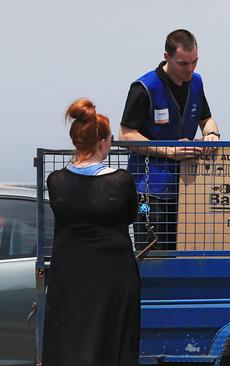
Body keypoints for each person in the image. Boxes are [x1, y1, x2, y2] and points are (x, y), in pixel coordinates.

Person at [43, 98, 139, 365]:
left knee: (69, 337)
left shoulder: (56, 181)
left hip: (69, 272)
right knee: (113, 337)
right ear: (103, 143)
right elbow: (131, 215)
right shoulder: (121, 181)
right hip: (114, 274)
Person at [120, 29, 221, 250]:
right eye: (183, 63)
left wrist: (211, 134)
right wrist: (169, 150)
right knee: (153, 256)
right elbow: (126, 135)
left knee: (185, 253)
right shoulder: (144, 87)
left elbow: (207, 118)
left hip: (187, 187)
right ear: (167, 57)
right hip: (149, 191)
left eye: (195, 62)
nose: (191, 69)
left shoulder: (196, 82)